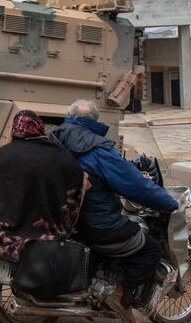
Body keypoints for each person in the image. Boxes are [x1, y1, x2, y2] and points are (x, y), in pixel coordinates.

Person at [50, 100, 178, 320]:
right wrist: (168, 202)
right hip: (96, 224)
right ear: (94, 120)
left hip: (61, 219)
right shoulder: (97, 148)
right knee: (150, 249)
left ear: (70, 117)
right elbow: (135, 185)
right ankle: (121, 298)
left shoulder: (54, 138)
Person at [0, 110, 86, 262]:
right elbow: (75, 189)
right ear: (39, 127)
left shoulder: (1, 155)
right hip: (46, 232)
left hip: (0, 231)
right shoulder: (60, 155)